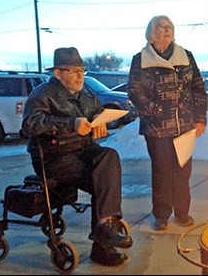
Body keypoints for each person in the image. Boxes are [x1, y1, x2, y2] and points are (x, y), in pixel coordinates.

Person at [21, 47, 133, 267]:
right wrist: (71, 125)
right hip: (54, 157)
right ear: (57, 73)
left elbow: (96, 114)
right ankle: (104, 241)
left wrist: (99, 122)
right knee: (102, 178)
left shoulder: (86, 95)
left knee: (109, 156)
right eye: (73, 71)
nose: (80, 75)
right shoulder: (42, 94)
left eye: (81, 70)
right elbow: (30, 125)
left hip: (83, 151)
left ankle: (104, 228)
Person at [127, 15, 207, 231]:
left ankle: (182, 212)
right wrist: (156, 111)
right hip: (157, 128)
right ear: (152, 33)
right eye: (161, 26)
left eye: (169, 26)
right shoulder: (141, 59)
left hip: (185, 127)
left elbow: (198, 88)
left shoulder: (185, 56)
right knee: (162, 171)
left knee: (183, 171)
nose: (166, 29)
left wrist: (200, 118)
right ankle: (161, 214)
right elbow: (134, 91)